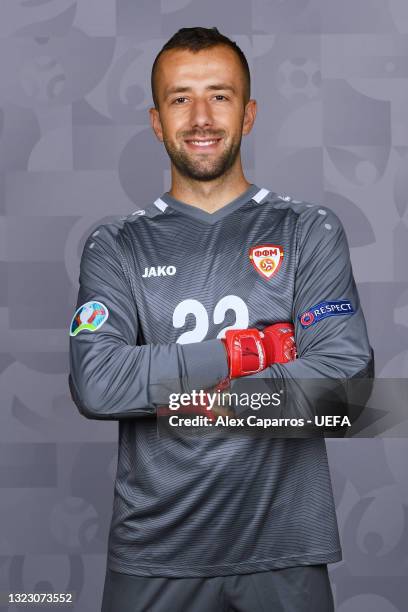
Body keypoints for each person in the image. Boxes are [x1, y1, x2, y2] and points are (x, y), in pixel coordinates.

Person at [69, 26, 374, 612]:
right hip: (155, 554)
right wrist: (250, 352)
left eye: (221, 95)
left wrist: (184, 394)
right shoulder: (115, 244)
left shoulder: (309, 230)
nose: (201, 116)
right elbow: (99, 383)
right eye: (181, 98)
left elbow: (346, 393)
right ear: (156, 121)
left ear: (249, 113)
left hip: (284, 552)